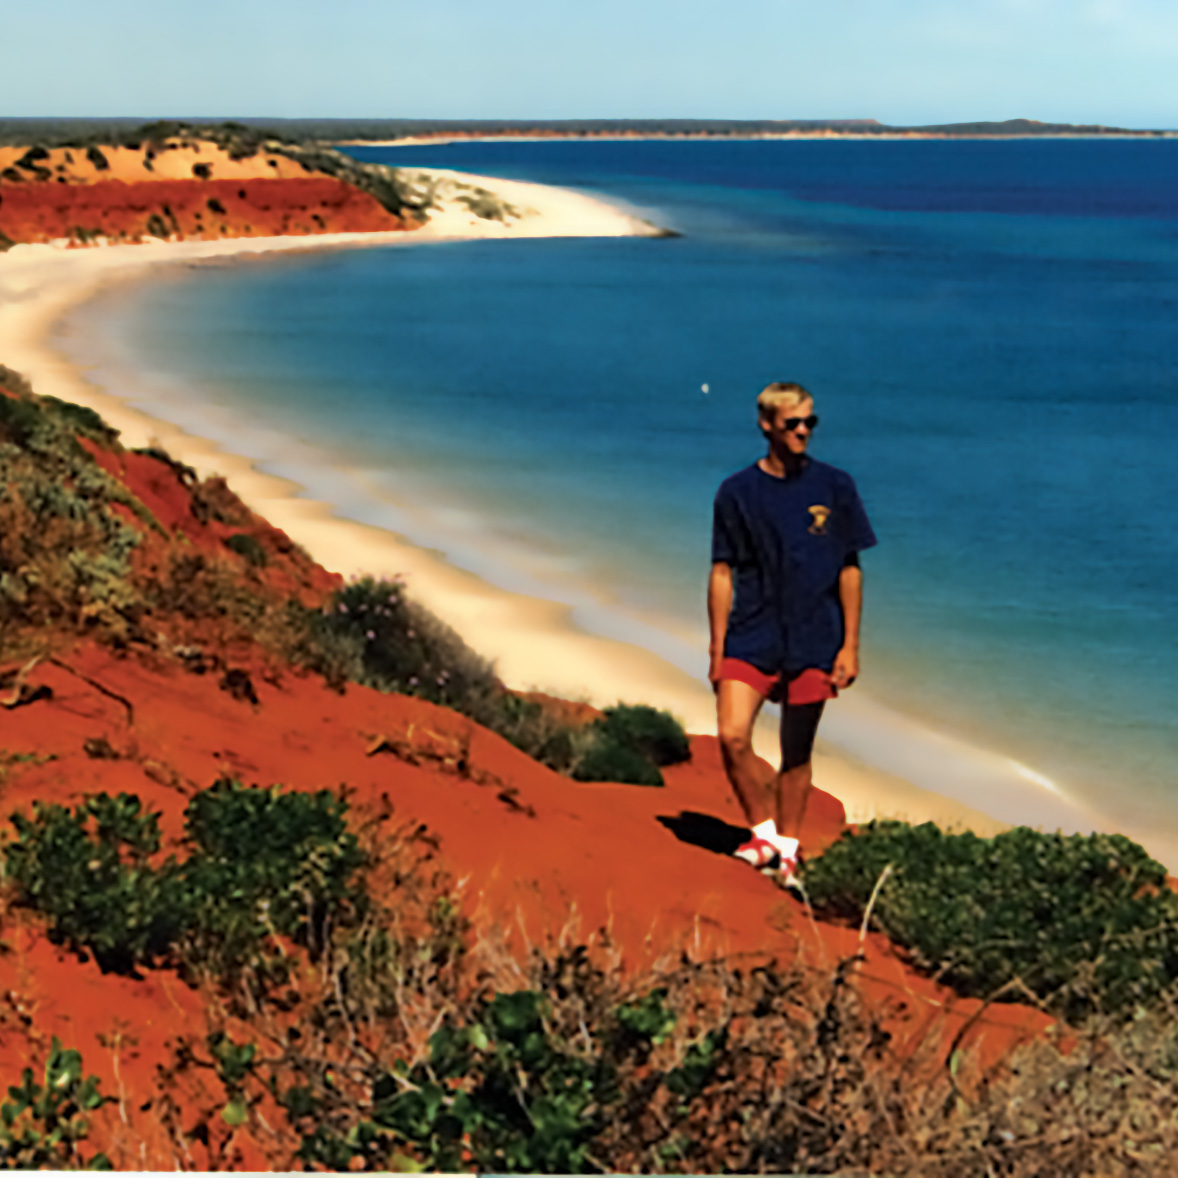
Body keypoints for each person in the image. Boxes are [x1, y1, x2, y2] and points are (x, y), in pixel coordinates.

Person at [709, 381, 877, 883]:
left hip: (815, 639)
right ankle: (764, 833)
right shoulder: (736, 492)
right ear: (766, 425)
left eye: (810, 422)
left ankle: (786, 851)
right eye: (792, 423)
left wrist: (850, 645)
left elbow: (850, 568)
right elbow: (721, 571)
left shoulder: (836, 486)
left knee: (796, 753)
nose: (803, 431)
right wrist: (717, 646)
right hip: (751, 634)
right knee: (732, 735)